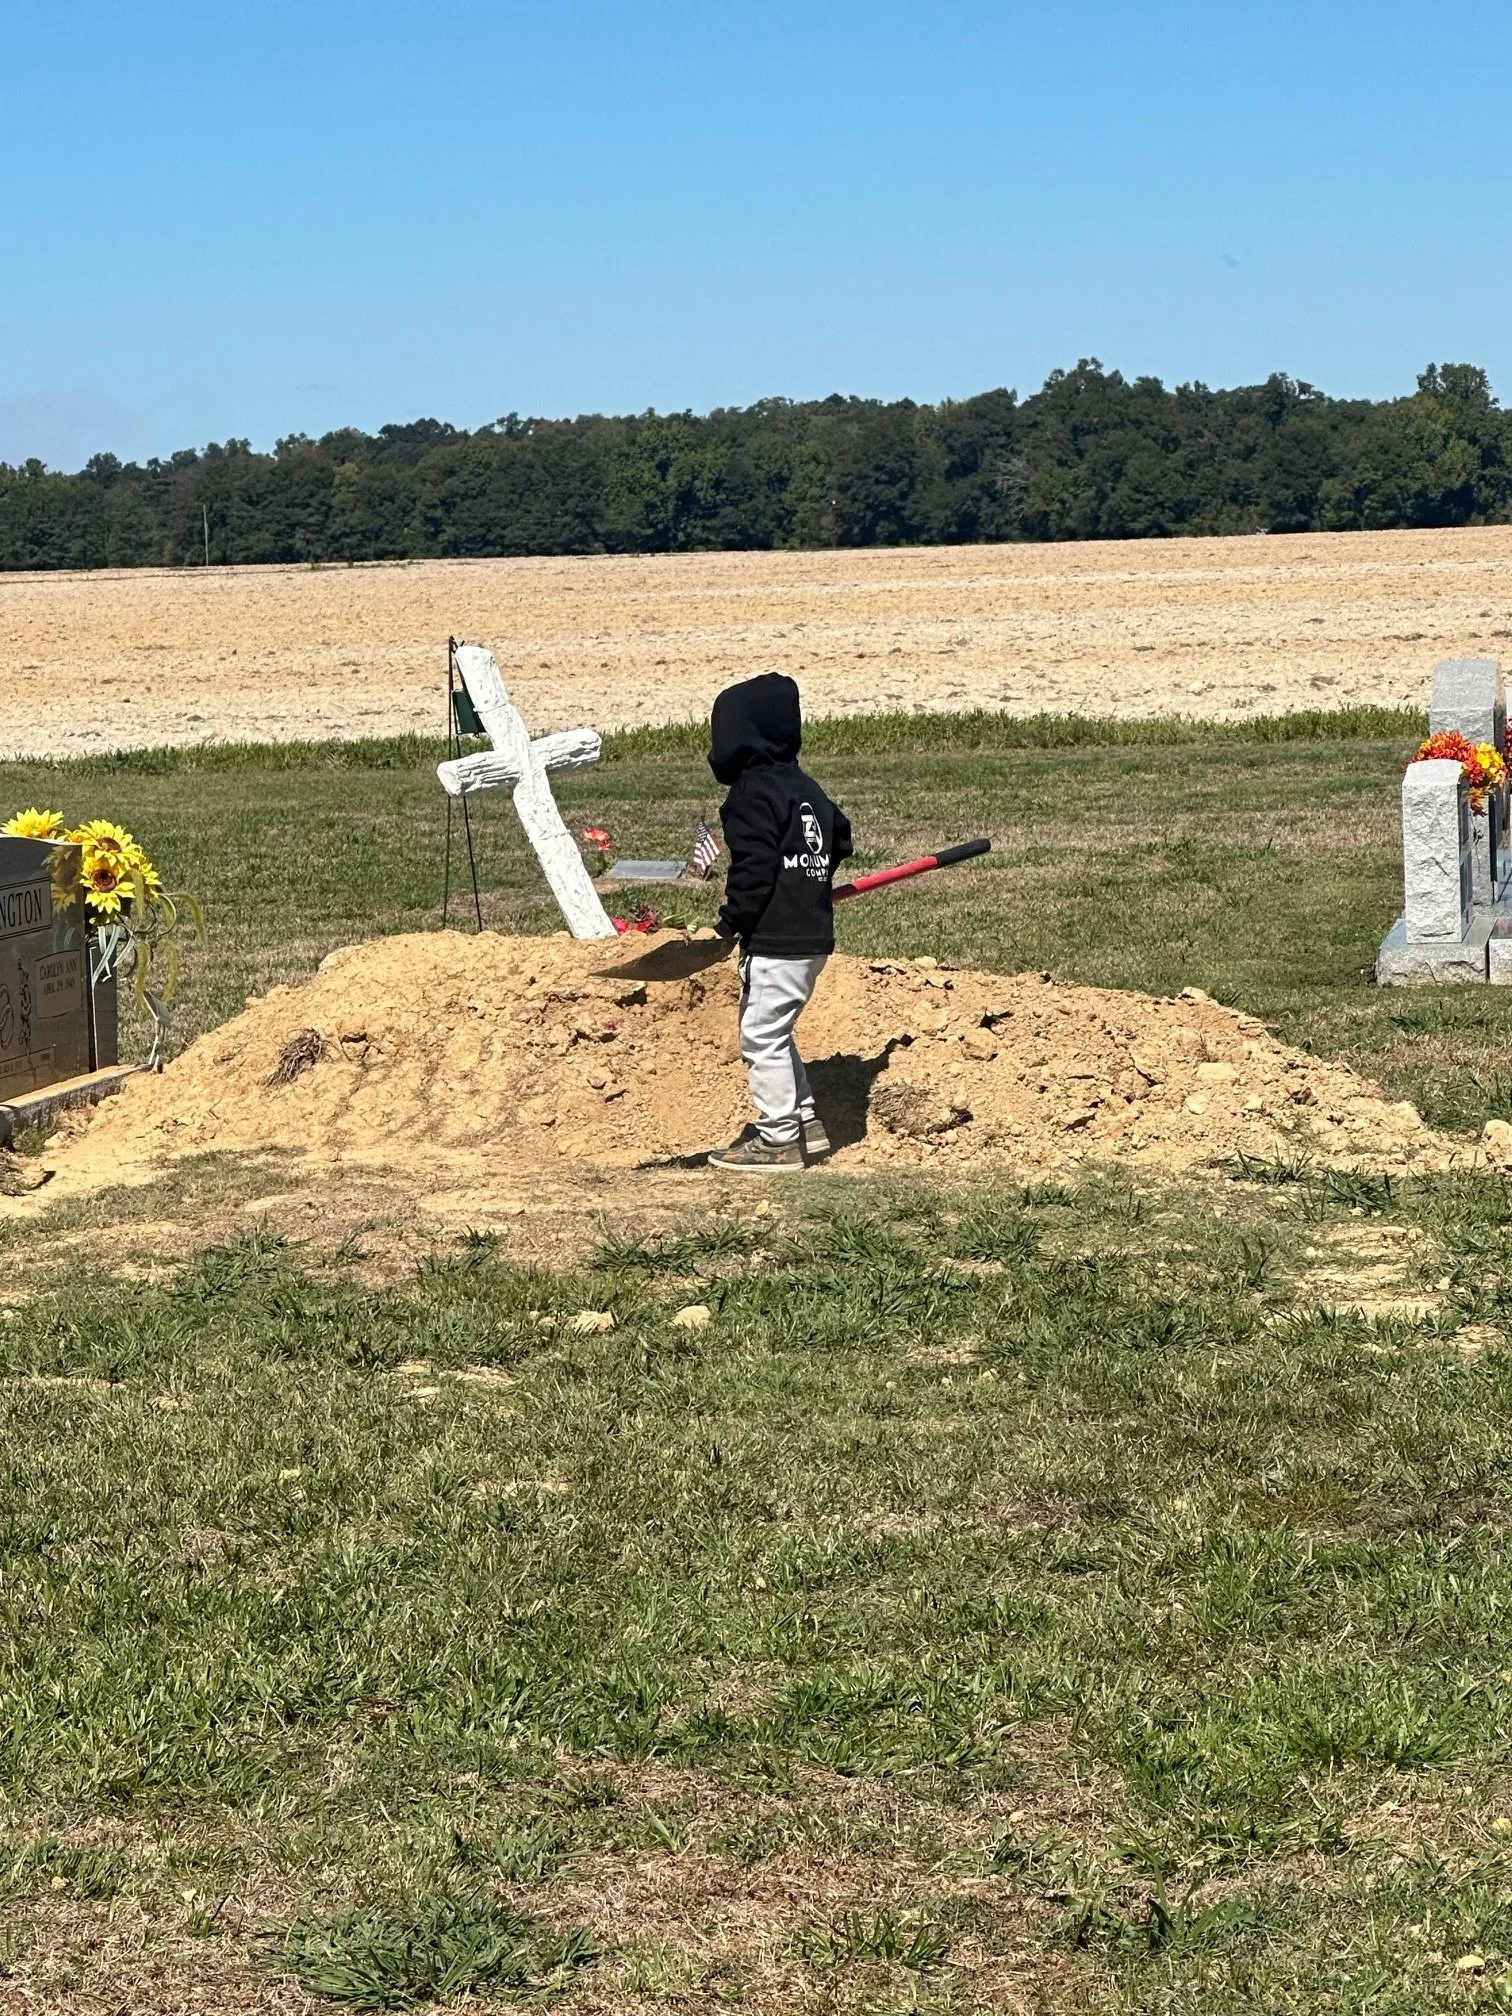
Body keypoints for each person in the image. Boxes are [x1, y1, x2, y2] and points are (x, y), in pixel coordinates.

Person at [704, 672, 852, 1173]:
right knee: (777, 1028)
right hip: (812, 937)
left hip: (773, 940)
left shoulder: (750, 793)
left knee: (760, 1035)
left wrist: (730, 924)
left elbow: (753, 868)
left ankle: (778, 1140)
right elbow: (842, 838)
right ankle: (805, 1121)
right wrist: (813, 877)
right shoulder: (807, 788)